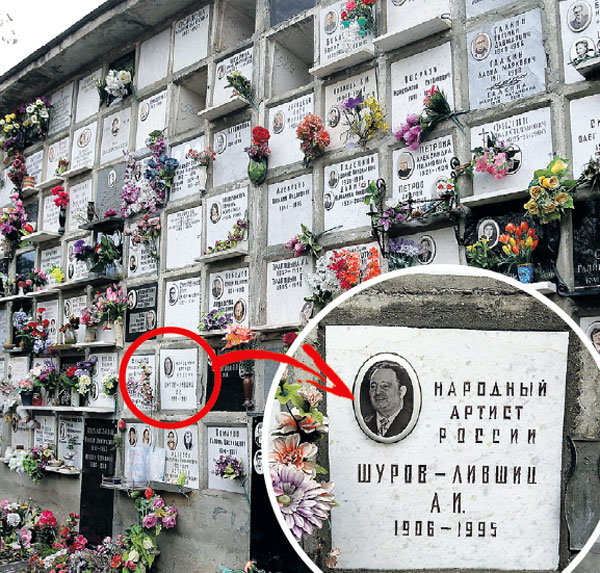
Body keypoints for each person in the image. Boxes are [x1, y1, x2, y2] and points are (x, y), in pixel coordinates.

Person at [363, 361, 411, 438]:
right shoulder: (365, 424)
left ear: (401, 391)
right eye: (373, 386)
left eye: (385, 386)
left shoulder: (410, 422)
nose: (377, 392)